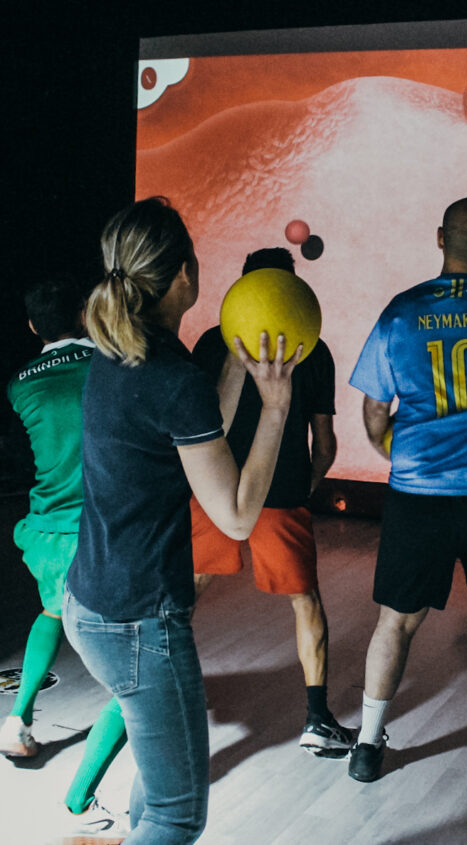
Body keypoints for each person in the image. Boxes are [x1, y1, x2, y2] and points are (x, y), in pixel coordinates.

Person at [62, 196, 299, 844]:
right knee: (177, 814)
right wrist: (277, 405)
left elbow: (200, 430)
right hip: (138, 621)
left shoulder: (119, 353)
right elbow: (238, 514)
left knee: (159, 777)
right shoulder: (168, 375)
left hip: (92, 603)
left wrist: (233, 368)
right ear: (186, 275)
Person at [348, 196, 467, 783]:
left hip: (416, 495)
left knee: (396, 623)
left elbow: (375, 413)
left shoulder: (401, 312)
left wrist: (407, 459)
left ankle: (366, 745)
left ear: (440, 239)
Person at [190, 247, 353, 756]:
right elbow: (324, 443)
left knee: (180, 601)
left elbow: (195, 429)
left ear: (244, 285)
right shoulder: (313, 349)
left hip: (213, 493)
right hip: (281, 494)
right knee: (306, 603)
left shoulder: (213, 340)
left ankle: (161, 701)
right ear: (292, 288)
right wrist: (305, 486)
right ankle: (317, 719)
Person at [2, 276, 129, 834]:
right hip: (97, 531)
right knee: (134, 673)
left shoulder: (17, 383)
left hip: (44, 529)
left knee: (51, 613)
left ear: (33, 327)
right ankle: (79, 800)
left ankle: (17, 718)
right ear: (84, 315)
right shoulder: (110, 364)